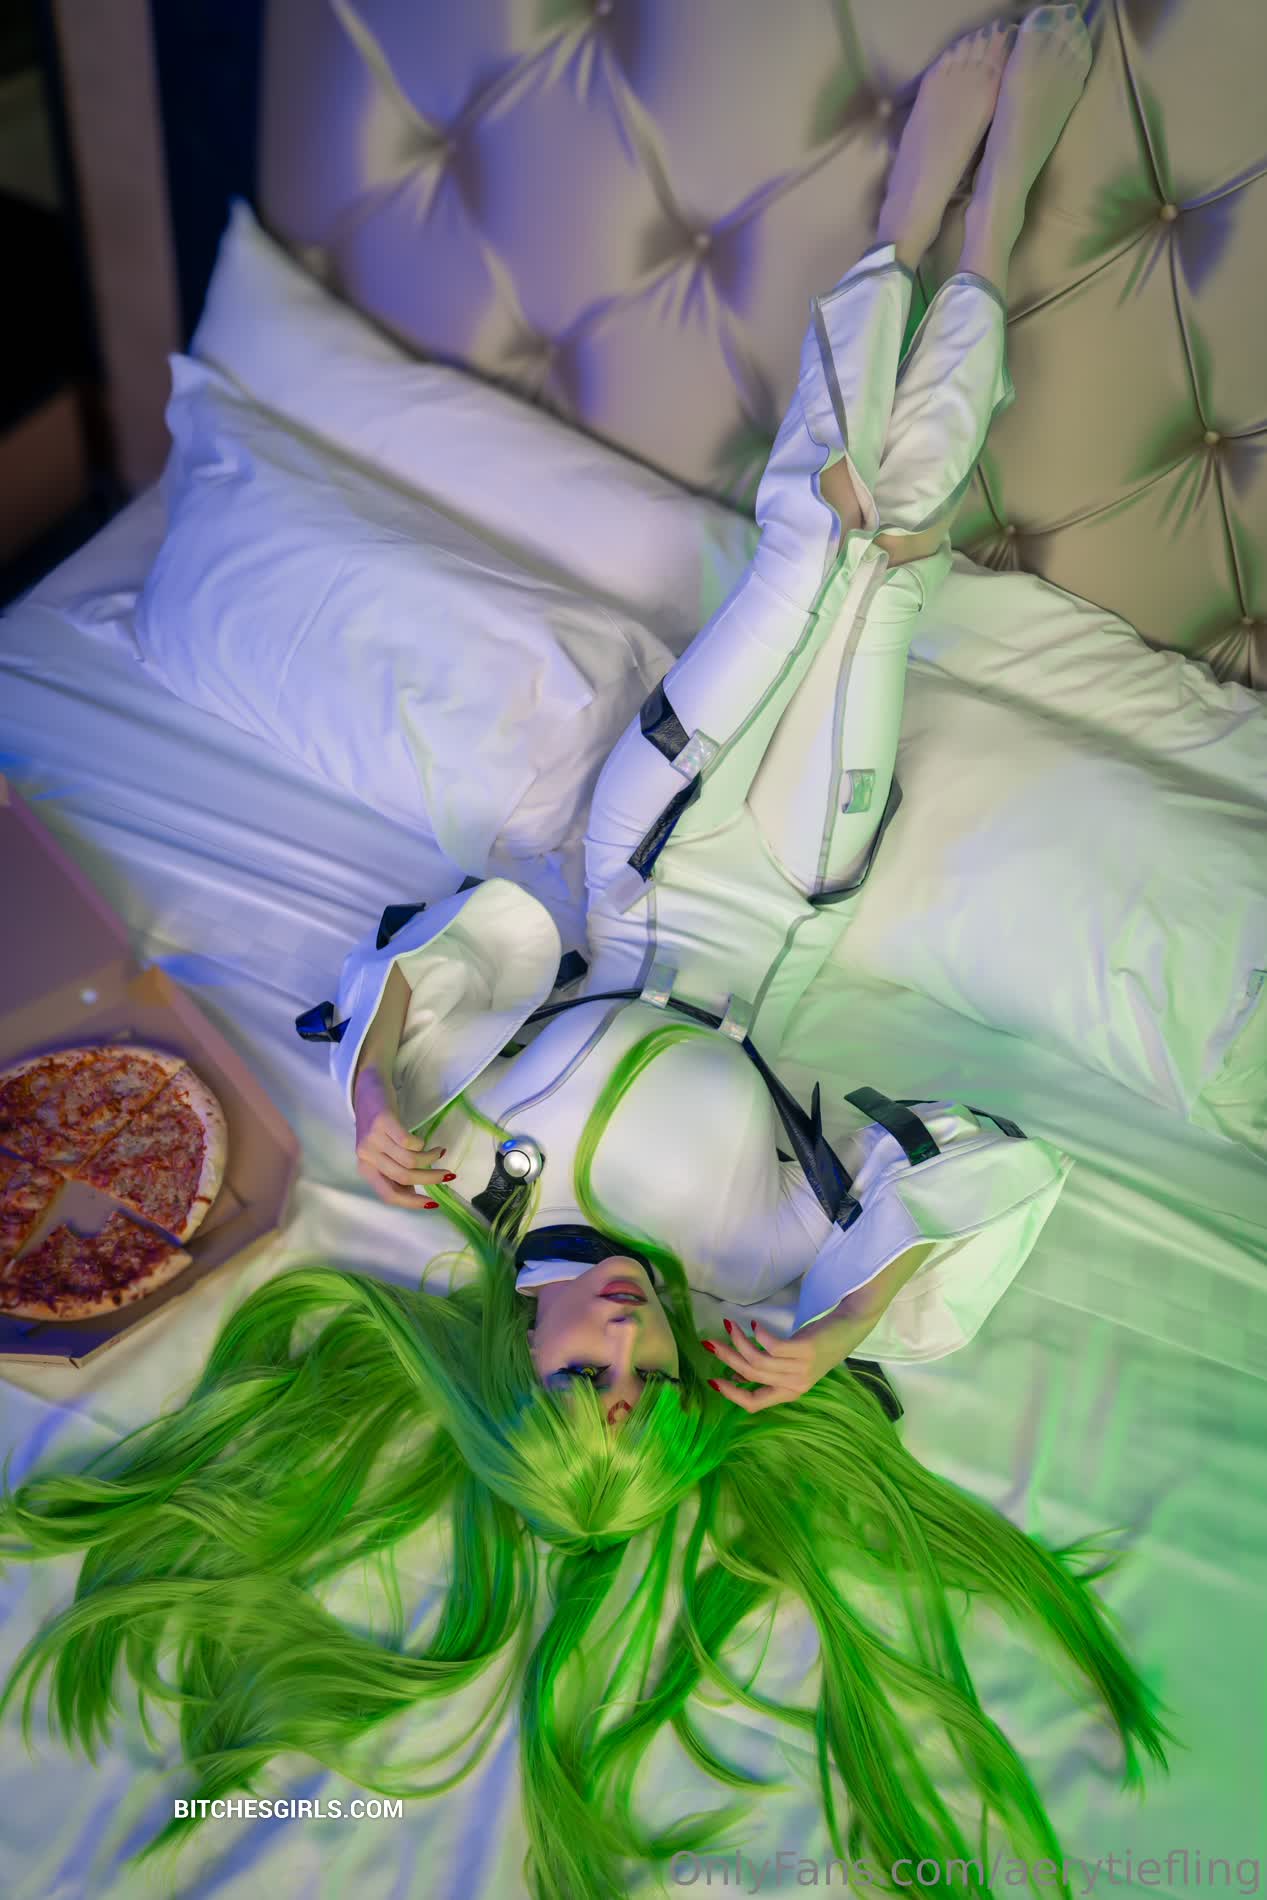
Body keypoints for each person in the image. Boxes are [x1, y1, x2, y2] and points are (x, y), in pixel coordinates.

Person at [0, 13, 1175, 1899]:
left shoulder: (462, 1175)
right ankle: (984, 230)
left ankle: (912, 212)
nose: (628, 1347)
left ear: (514, 1365)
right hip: (783, 889)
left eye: (581, 1383)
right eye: (650, 1396)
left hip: (639, 855)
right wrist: (849, 1321)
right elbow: (987, 1167)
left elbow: (451, 938)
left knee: (806, 546)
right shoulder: (769, 1284)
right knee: (890, 564)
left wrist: (375, 1080)